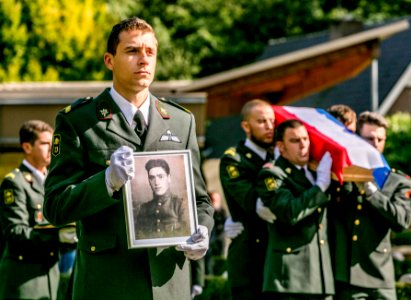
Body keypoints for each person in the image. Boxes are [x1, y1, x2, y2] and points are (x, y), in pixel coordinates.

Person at [44, 17, 214, 300]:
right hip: (108, 282)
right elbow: (55, 206)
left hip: (168, 284)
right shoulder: (80, 120)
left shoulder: (181, 121)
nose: (143, 60)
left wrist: (203, 231)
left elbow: (200, 201)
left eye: (150, 52)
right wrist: (106, 183)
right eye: (132, 51)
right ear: (109, 60)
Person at [328, 111, 411, 300]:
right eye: (369, 138)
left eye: (380, 139)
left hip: (380, 274)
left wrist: (371, 190)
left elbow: (401, 221)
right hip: (348, 273)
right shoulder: (340, 176)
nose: (375, 143)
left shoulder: (397, 180)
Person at [256, 119, 334, 299]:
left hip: (321, 277)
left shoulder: (315, 171)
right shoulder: (273, 174)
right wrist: (320, 186)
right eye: (295, 141)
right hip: (290, 278)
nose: (303, 145)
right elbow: (290, 212)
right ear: (281, 147)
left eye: (306, 139)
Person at [0, 120, 77, 299]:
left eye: (53, 143)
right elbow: (15, 232)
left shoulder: (53, 181)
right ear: (27, 147)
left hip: (52, 276)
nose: (51, 148)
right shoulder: (14, 183)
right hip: (25, 279)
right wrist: (58, 236)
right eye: (44, 144)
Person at [219, 99, 276, 299]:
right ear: (246, 126)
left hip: (276, 260)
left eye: (272, 121)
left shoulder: (277, 157)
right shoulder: (233, 159)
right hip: (249, 260)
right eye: (262, 121)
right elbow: (252, 201)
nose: (269, 127)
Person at [136, 159, 189, 239]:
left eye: (160, 176)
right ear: (149, 181)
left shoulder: (180, 205)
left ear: (169, 178)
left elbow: (187, 234)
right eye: (152, 178)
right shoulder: (144, 208)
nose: (156, 182)